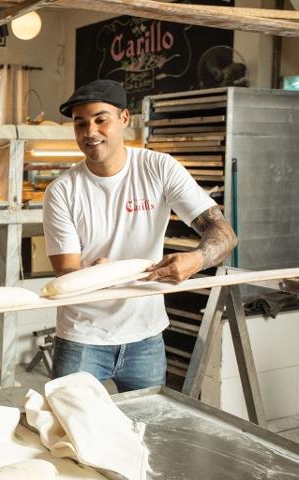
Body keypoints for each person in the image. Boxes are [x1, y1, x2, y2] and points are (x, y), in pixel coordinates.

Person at [42, 79, 237, 392]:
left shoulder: (158, 168)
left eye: (100, 119)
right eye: (80, 124)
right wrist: (95, 274)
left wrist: (197, 259)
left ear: (124, 119)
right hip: (83, 336)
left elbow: (223, 232)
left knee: (145, 427)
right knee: (68, 427)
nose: (90, 132)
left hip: (145, 335)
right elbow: (65, 274)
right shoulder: (62, 191)